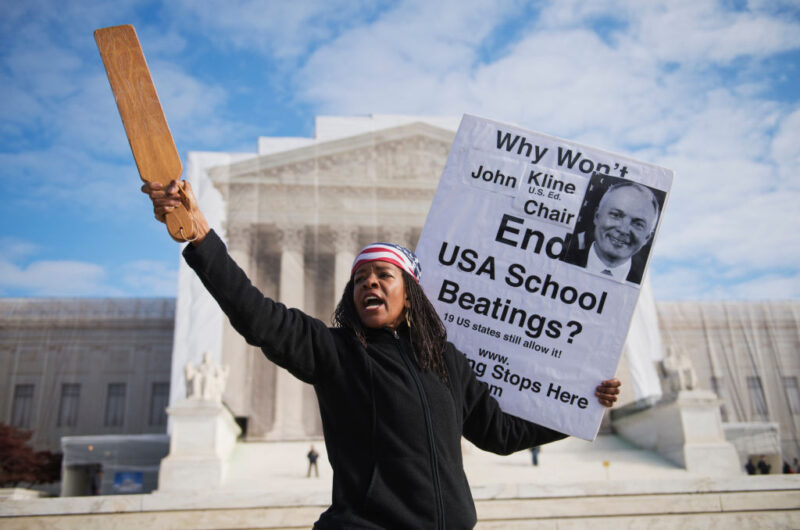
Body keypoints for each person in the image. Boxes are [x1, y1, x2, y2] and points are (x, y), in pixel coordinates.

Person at [142, 179, 622, 529]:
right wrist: (201, 238)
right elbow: (257, 315)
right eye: (359, 278)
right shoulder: (336, 354)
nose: (368, 282)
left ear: (410, 291)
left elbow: (500, 432)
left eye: (382, 275)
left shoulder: (448, 363)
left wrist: (583, 404)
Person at [561, 181, 660, 284]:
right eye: (616, 215)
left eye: (638, 224)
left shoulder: (645, 290)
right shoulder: (562, 256)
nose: (623, 230)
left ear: (647, 237)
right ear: (597, 216)